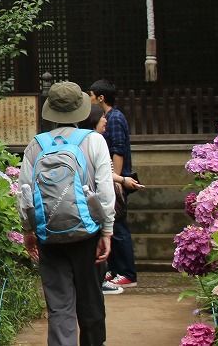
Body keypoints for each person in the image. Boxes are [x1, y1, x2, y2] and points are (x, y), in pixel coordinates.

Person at [18, 81, 116, 346]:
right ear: (80, 110)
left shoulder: (35, 146)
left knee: (59, 307)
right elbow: (106, 192)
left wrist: (28, 231)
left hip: (49, 236)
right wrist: (107, 230)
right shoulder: (94, 141)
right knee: (91, 302)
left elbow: (24, 194)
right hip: (88, 235)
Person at [81, 104, 143, 294]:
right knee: (113, 231)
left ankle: (121, 272)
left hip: (94, 195)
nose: (105, 120)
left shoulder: (87, 139)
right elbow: (105, 172)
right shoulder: (94, 140)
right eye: (102, 118)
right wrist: (122, 179)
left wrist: (121, 179)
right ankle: (115, 272)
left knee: (115, 231)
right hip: (98, 195)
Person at [90, 79, 139, 289]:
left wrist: (116, 180)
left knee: (118, 227)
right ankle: (116, 269)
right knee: (112, 226)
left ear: (101, 97)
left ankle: (127, 273)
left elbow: (118, 150)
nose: (89, 98)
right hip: (111, 178)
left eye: (91, 95)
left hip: (116, 179)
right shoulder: (106, 117)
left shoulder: (115, 118)